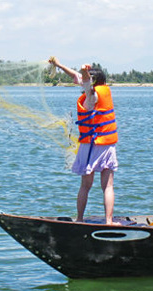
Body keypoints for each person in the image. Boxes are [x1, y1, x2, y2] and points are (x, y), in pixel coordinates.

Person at [48, 56, 119, 225]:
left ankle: (79, 219)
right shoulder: (103, 91)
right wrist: (58, 65)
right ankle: (108, 221)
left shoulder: (91, 95)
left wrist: (84, 71)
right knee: (107, 186)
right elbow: (78, 77)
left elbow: (85, 82)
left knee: (85, 185)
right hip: (106, 145)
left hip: (91, 146)